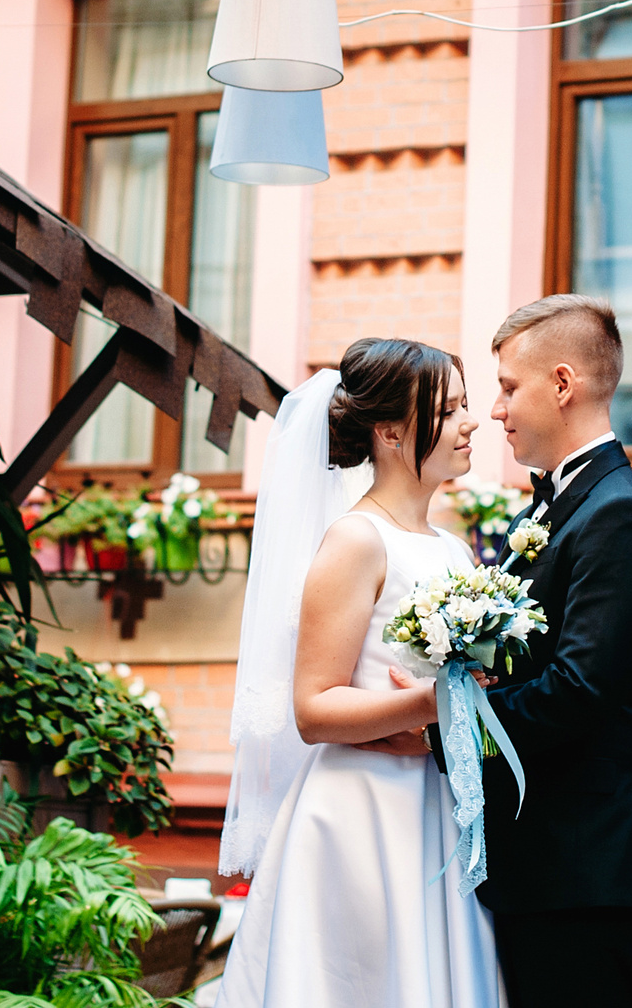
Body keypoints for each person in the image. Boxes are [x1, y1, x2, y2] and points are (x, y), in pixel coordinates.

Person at [218, 338, 507, 1008]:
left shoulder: (454, 548)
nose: (471, 423)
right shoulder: (356, 540)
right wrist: (433, 703)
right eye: (450, 409)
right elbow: (313, 708)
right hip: (363, 816)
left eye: (466, 406)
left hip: (438, 805)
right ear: (391, 432)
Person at [477, 294, 632, 1008]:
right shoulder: (550, 507)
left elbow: (579, 692)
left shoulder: (620, 513)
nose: (497, 410)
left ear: (562, 383)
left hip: (583, 866)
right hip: (540, 860)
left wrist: (443, 728)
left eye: (509, 387)